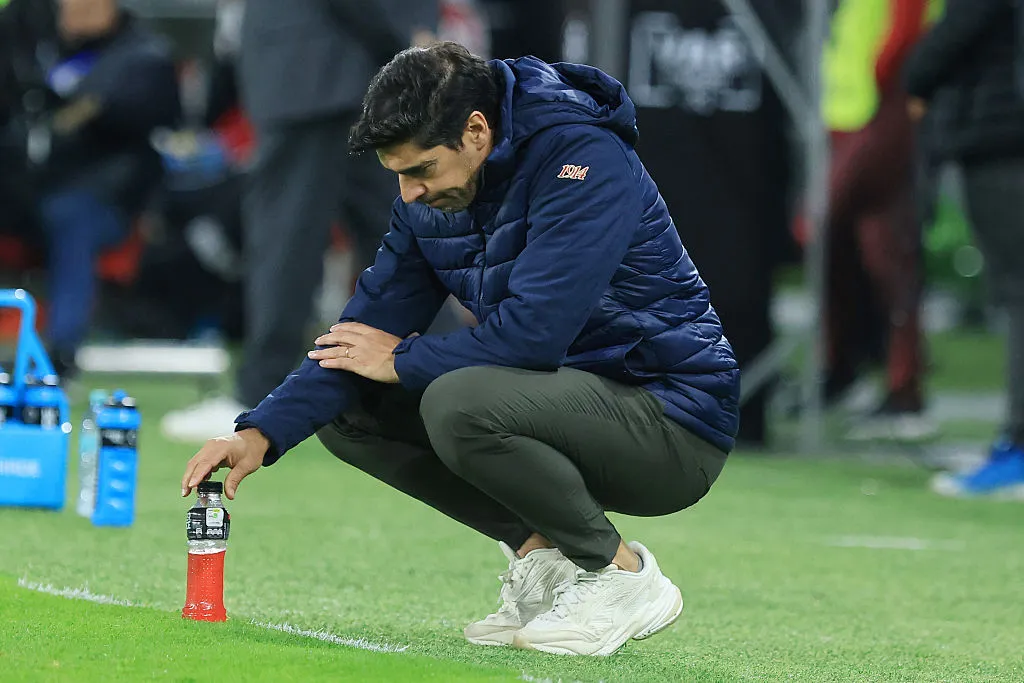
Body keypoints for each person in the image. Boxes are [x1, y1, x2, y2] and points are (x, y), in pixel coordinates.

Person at [180, 42, 739, 657]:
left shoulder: (583, 158)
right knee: (348, 405)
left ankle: (621, 576)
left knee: (458, 399)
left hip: (671, 423)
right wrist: (259, 432)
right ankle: (545, 559)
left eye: (421, 170)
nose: (409, 193)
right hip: (555, 405)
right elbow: (357, 335)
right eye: (397, 173)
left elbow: (534, 334)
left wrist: (401, 361)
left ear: (477, 131)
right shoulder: (433, 198)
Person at [160, 0, 438, 441]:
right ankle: (444, 380)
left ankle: (260, 391)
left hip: (315, 77)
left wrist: (407, 40)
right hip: (340, 74)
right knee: (397, 234)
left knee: (286, 241)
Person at [1, 0, 181, 375]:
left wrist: (92, 105)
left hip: (105, 200)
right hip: (29, 191)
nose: (70, 12)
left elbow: (155, 114)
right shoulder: (33, 47)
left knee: (71, 217)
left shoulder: (142, 55)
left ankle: (58, 357)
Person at [904, 0, 1024, 496]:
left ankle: (1017, 450)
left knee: (1019, 291)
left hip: (1004, 138)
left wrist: (918, 79)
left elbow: (954, 35)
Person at [819, 0, 943, 440]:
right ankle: (859, 372)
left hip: (878, 112)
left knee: (832, 231)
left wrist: (883, 86)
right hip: (851, 114)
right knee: (873, 246)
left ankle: (895, 383)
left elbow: (905, 32)